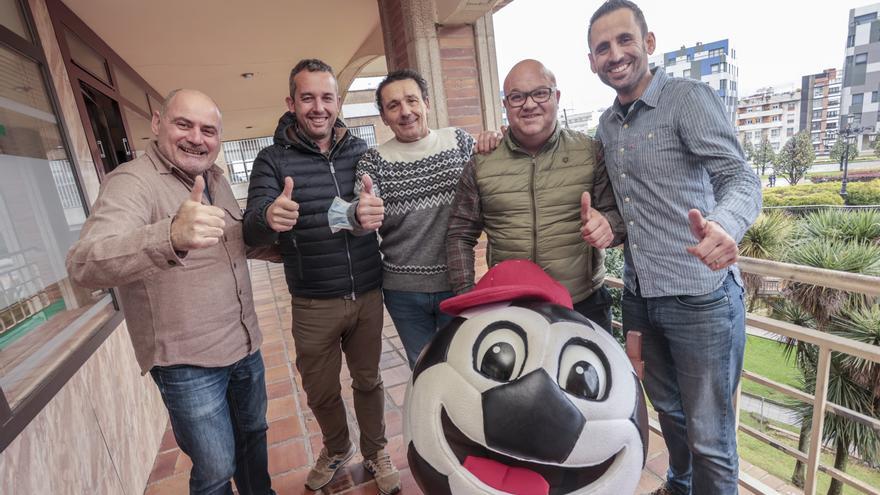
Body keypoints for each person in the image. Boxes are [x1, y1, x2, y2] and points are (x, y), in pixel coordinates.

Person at [587, 1, 762, 494]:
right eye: (603, 47)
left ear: (648, 43)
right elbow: (634, 214)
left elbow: (740, 178)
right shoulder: (607, 125)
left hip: (701, 299)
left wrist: (725, 225)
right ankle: (679, 485)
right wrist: (608, 226)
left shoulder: (687, 98)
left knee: (711, 438)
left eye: (624, 40)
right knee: (671, 414)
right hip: (642, 296)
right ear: (592, 62)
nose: (615, 54)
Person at [66, 89, 274, 495]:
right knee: (215, 470)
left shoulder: (214, 179)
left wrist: (282, 237)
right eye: (185, 124)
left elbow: (236, 243)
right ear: (158, 124)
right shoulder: (131, 182)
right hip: (188, 364)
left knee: (253, 443)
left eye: (208, 130)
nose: (197, 137)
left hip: (245, 345)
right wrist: (170, 235)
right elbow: (84, 263)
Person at [241, 59, 399, 494]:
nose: (318, 107)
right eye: (307, 97)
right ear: (291, 103)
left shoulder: (361, 151)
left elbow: (380, 204)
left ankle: (375, 449)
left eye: (326, 97)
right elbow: (249, 226)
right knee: (320, 390)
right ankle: (336, 447)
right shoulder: (271, 160)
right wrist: (269, 216)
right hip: (313, 300)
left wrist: (373, 211)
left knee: (369, 381)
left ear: (338, 102)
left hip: (367, 292)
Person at [446, 59, 624, 332]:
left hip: (583, 304)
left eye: (540, 93)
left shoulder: (590, 153)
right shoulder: (481, 163)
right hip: (511, 307)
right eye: (516, 97)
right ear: (505, 105)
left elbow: (617, 218)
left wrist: (608, 226)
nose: (529, 105)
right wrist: (467, 297)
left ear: (557, 96)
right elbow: (459, 234)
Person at [350, 69, 475, 368]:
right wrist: (359, 213)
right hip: (402, 291)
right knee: (424, 372)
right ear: (383, 116)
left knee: (465, 368)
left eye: (412, 101)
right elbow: (358, 214)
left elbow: (490, 192)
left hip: (457, 283)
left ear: (427, 103)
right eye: (393, 106)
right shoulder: (373, 160)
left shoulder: (459, 142)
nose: (405, 112)